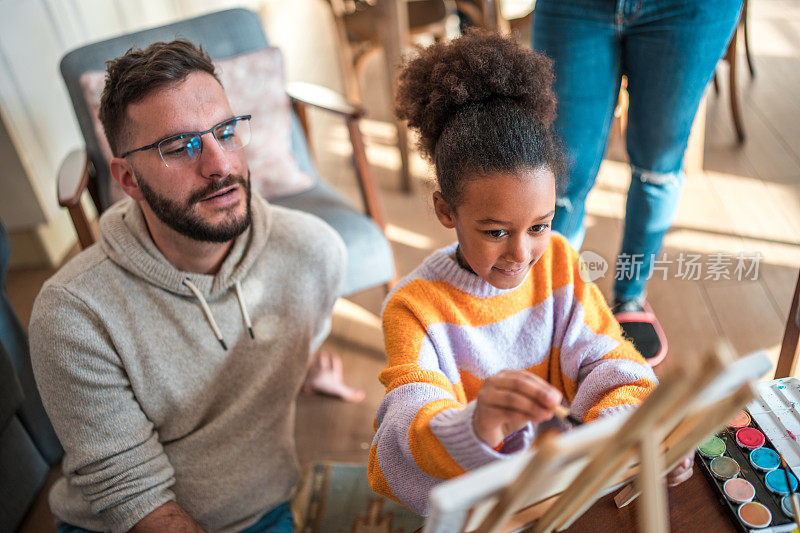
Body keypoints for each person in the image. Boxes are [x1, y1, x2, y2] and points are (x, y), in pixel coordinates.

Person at [366, 30, 692, 516]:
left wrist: (639, 431)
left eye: (539, 225)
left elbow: (609, 359)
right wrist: (477, 425)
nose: (522, 253)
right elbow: (404, 429)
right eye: (495, 232)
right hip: (481, 509)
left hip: (568, 494)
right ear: (445, 211)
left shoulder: (558, 259)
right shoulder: (413, 308)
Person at [29, 40, 348, 532]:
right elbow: (132, 495)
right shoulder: (72, 314)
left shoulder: (314, 254)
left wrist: (303, 367)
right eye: (180, 148)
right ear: (128, 179)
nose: (220, 164)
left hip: (261, 511)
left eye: (225, 132)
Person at [532, 0, 742, 366]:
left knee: (657, 167)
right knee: (558, 176)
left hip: (691, 10)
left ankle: (630, 295)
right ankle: (549, 297)